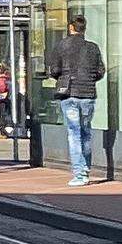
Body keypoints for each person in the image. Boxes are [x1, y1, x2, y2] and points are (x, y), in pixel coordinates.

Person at [48, 15, 105, 187]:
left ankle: (80, 174)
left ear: (71, 28)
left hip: (69, 93)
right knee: (86, 131)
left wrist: (61, 76)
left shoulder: (62, 46)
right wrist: (88, 78)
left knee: (74, 133)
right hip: (88, 93)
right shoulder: (93, 48)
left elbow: (54, 69)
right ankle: (85, 169)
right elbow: (101, 71)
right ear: (84, 29)